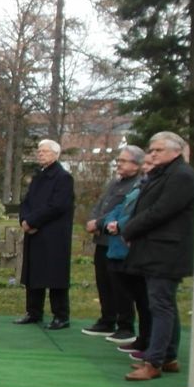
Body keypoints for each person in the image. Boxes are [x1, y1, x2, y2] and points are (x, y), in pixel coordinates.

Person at [115, 131, 194, 381]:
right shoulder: (165, 174)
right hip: (156, 249)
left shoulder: (182, 176)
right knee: (164, 304)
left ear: (176, 151)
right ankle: (168, 357)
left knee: (160, 306)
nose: (152, 154)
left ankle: (154, 361)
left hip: (167, 251)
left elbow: (161, 211)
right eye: (151, 150)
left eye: (157, 150)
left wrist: (129, 228)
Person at [81, 145, 143, 339]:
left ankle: (125, 325)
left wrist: (99, 222)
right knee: (104, 282)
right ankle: (107, 320)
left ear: (137, 165)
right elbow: (101, 204)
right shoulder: (115, 183)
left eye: (123, 161)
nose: (119, 164)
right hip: (102, 239)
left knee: (120, 286)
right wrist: (93, 220)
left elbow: (122, 210)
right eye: (119, 160)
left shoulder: (138, 185)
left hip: (118, 242)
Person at [13, 139, 75, 330]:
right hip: (34, 232)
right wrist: (24, 220)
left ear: (56, 154)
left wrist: (33, 221)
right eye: (39, 151)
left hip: (53, 233)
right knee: (34, 274)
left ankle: (61, 315)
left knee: (54, 274)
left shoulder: (63, 177)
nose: (40, 154)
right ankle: (33, 311)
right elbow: (27, 202)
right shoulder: (38, 176)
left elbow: (57, 205)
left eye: (45, 151)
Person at [103, 153, 156, 358]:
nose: (147, 166)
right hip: (118, 242)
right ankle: (142, 338)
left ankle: (148, 340)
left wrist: (123, 226)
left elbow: (143, 213)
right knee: (132, 293)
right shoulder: (138, 186)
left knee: (144, 299)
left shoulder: (151, 187)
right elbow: (118, 207)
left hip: (134, 244)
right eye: (147, 163)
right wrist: (109, 222)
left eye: (150, 163)